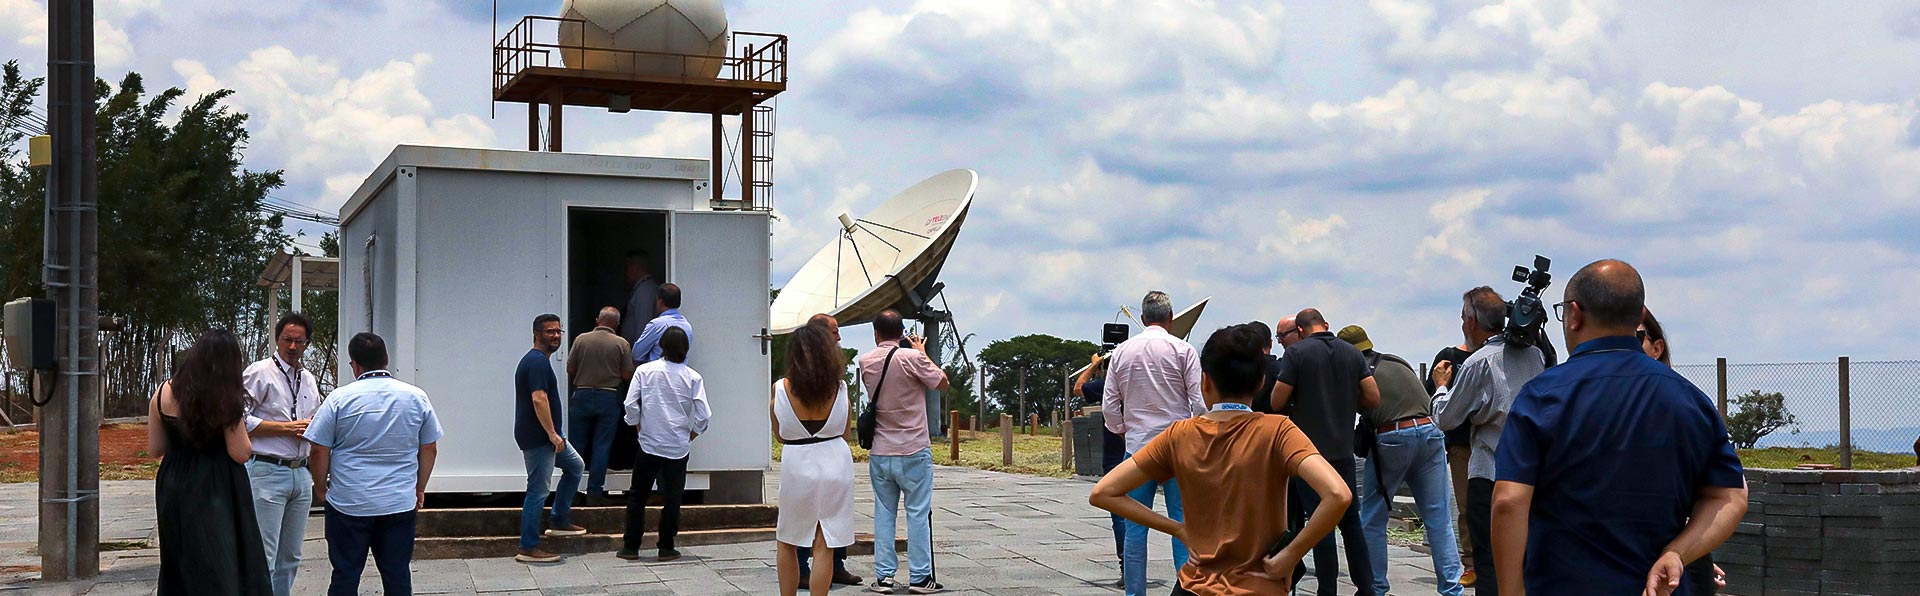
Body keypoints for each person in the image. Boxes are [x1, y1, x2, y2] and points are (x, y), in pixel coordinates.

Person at [1491, 260, 1748, 595]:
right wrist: (1677, 552)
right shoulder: (1690, 400)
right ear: (1640, 315)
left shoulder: (1542, 397)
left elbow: (1508, 502)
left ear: (1574, 314)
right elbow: (1730, 497)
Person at [1090, 324, 1352, 595]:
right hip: (1259, 585)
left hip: (1195, 586)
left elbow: (1103, 493)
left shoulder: (1179, 435)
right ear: (1261, 382)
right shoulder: (1278, 432)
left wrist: (1178, 529)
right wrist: (1291, 554)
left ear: (1205, 381)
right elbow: (1338, 494)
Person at [305, 332, 443, 596]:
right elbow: (430, 448)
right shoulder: (416, 397)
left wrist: (320, 487)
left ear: (354, 365)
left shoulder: (339, 399)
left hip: (349, 503)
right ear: (386, 359)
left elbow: (319, 449)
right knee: (397, 574)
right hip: (398, 502)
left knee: (345, 574)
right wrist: (419, 487)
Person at [1430, 287, 1544, 596]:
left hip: (1490, 474)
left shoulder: (1479, 362)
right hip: (1531, 474)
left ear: (1471, 321)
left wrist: (1441, 387)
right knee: (1525, 560)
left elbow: (1446, 417)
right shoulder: (1535, 355)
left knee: (1490, 562)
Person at [1339, 325, 1464, 596]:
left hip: (1394, 437)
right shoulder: (1395, 360)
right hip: (1430, 431)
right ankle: (1452, 588)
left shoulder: (1356, 372)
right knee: (1438, 516)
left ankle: (1375, 587)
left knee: (1373, 517)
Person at [150, 329, 273, 596]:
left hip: (174, 481)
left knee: (178, 557)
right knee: (220, 558)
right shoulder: (225, 398)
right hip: (216, 483)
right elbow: (240, 452)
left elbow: (156, 448)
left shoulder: (162, 392)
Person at [1270, 308, 1380, 596]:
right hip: (1343, 450)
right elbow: (1373, 396)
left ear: (1300, 330)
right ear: (1326, 324)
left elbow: (1277, 401)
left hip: (1309, 454)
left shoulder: (1297, 354)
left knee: (1320, 523)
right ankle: (1366, 587)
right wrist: (1346, 399)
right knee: (1351, 521)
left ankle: (1327, 590)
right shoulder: (1352, 353)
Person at [1102, 291, 1205, 596]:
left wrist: (1122, 430)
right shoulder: (1183, 349)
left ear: (1143, 318)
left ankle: (1135, 592)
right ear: (1171, 317)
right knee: (1183, 524)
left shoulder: (1122, 352)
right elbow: (1199, 403)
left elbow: (1110, 405)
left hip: (1138, 448)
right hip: (1177, 446)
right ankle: (1187, 589)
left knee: (1135, 527)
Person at [861, 309, 952, 594]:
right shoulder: (912, 358)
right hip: (913, 448)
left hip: (881, 450)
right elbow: (942, 382)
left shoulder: (865, 361)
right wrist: (921, 352)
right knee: (917, 513)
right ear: (902, 332)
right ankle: (920, 577)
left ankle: (884, 577)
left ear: (876, 333)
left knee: (884, 513)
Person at [1639, 308, 1729, 594]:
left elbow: (1725, 496)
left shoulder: (1686, 409)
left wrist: (1689, 555)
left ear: (1657, 349)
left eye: (1636, 338)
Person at [239, 313, 323, 596]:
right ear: (277, 339)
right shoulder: (259, 372)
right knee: (264, 554)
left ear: (307, 344)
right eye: (288, 340)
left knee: (291, 556)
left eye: (300, 341)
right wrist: (285, 428)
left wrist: (313, 427)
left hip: (300, 472)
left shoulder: (308, 379)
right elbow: (237, 418)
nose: (293, 346)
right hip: (267, 470)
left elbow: (316, 417)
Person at [771, 323, 857, 596]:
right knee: (824, 544)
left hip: (797, 463)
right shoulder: (840, 388)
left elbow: (780, 435)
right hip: (835, 462)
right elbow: (845, 432)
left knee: (787, 540)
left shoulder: (780, 389)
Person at [619, 326, 710, 561]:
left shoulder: (644, 371)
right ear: (685, 348)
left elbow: (630, 403)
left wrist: (636, 424)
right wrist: (692, 434)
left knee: (637, 495)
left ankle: (631, 546)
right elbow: (704, 415)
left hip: (649, 442)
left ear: (661, 346)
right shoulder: (693, 377)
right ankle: (667, 546)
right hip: (678, 445)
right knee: (673, 497)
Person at [794, 313, 864, 586]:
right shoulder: (803, 374)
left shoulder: (835, 370)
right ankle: (802, 565)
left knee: (834, 512)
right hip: (814, 450)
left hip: (826, 453)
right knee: (807, 515)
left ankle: (835, 563)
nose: (839, 337)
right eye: (834, 331)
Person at [516, 314, 587, 563]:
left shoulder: (539, 361)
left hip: (548, 435)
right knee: (538, 490)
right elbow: (539, 399)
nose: (556, 336)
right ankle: (528, 547)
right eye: (550, 331)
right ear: (536, 334)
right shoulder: (536, 362)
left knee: (575, 466)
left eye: (558, 331)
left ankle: (559, 519)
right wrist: (552, 434)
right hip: (539, 437)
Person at [1426, 336, 1479, 587]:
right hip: (1461, 444)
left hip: (1495, 439)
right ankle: (1471, 563)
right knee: (1466, 505)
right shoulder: (1449, 358)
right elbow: (1431, 399)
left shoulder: (1498, 354)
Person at [569, 307, 634, 503]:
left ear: (598, 320)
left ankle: (570, 492)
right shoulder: (621, 343)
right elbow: (627, 374)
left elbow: (570, 368)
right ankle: (594, 492)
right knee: (601, 446)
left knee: (576, 446)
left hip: (582, 394)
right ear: (617, 324)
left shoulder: (581, 339)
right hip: (608, 396)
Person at [1073, 352, 1124, 587]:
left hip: (1115, 455)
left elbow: (1078, 388)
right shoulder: (1144, 380)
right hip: (1147, 450)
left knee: (1121, 516)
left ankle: (1128, 567)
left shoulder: (1110, 383)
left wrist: (1093, 365)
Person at [632, 283, 691, 366]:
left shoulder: (657, 325)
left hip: (657, 371)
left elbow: (637, 354)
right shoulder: (687, 326)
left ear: (660, 301)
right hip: (680, 371)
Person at [1254, 316, 1298, 414]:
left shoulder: (1240, 370)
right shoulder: (1281, 368)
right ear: (1270, 343)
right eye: (1278, 336)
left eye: (1282, 335)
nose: (1279, 341)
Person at [620, 250, 662, 344]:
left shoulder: (645, 291)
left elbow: (643, 325)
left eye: (627, 267)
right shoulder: (642, 289)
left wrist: (638, 350)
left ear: (635, 268)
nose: (625, 272)